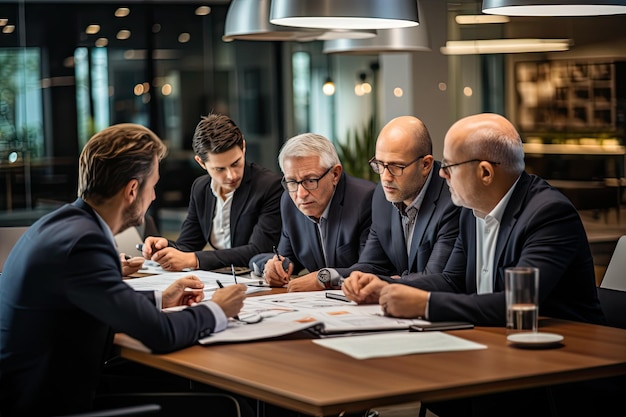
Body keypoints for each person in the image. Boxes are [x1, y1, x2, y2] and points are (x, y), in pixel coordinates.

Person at [342, 113, 607, 416]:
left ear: (484, 172)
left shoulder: (548, 214)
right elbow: (452, 279)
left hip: (556, 373)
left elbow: (515, 304)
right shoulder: (471, 210)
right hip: (492, 353)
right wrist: (386, 288)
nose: (442, 175)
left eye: (450, 166)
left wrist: (424, 304)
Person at [0, 124, 247, 417]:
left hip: (37, 390)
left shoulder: (61, 224)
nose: (154, 196)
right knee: (222, 407)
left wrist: (161, 300)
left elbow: (95, 302)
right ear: (132, 190)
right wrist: (218, 309)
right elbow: (162, 334)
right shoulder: (86, 242)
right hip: (50, 406)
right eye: (153, 186)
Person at [286, 116, 460, 292]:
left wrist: (387, 283)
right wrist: (327, 277)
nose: (385, 177)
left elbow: (436, 279)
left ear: (425, 164)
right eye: (379, 165)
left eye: (396, 167)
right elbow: (371, 266)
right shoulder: (381, 196)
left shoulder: (452, 200)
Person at [141, 113, 283, 272]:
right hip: (219, 280)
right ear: (201, 162)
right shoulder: (201, 188)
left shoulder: (269, 186)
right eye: (220, 169)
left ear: (243, 147)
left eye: (236, 163)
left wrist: (194, 259)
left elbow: (259, 250)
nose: (232, 175)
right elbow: (187, 245)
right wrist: (165, 247)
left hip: (258, 280)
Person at [251, 133, 376, 288]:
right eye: (291, 182)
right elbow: (287, 260)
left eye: (310, 180)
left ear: (335, 174)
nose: (300, 194)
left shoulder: (365, 199)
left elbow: (371, 267)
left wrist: (323, 277)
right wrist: (275, 268)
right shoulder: (289, 202)